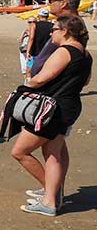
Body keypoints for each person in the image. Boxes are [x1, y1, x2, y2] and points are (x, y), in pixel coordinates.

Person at [7, 16, 91, 217]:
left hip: (52, 109)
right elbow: (86, 81)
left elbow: (42, 78)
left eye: (54, 29)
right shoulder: (85, 54)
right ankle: (51, 198)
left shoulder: (65, 51)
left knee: (20, 151)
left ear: (65, 31)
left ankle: (51, 197)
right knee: (53, 153)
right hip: (69, 106)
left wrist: (23, 87)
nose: (51, 32)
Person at [26, 8, 52, 73]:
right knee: (43, 70)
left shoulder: (34, 25)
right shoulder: (52, 26)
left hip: (35, 51)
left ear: (39, 16)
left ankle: (29, 82)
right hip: (47, 52)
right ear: (48, 16)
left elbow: (31, 38)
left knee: (29, 71)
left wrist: (28, 51)